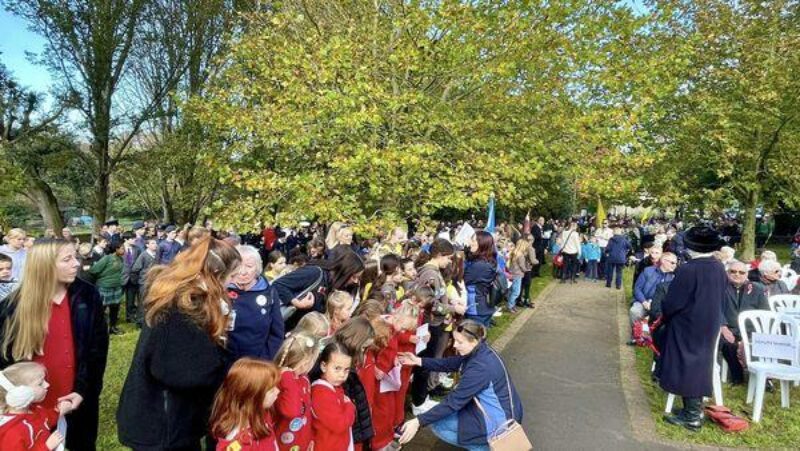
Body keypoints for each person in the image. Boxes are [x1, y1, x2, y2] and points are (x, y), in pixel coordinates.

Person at [116, 237, 241, 450]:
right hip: (163, 423)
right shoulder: (180, 307)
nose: (233, 282)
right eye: (232, 276)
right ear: (216, 275)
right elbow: (181, 371)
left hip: (173, 419)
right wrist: (221, 364)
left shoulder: (185, 297)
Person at [0, 239, 109, 450]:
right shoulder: (12, 308)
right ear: (44, 265)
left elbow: (97, 349)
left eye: (75, 257)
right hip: (30, 404)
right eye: (67, 259)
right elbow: (4, 361)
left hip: (76, 398)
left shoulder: (87, 295)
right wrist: (13, 399)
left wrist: (83, 390)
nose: (76, 263)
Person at [397, 320, 523, 450]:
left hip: (499, 422)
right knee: (440, 418)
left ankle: (486, 446)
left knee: (439, 425)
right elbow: (451, 363)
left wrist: (418, 421)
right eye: (455, 340)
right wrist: (418, 360)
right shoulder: (481, 351)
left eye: (460, 342)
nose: (455, 345)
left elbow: (453, 402)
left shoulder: (479, 369)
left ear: (474, 341)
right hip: (507, 410)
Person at [656, 226, 726, 431]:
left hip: (687, 324)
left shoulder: (689, 269)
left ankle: (693, 415)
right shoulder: (718, 267)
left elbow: (673, 302)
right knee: (699, 365)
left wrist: (665, 316)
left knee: (686, 366)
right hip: (709, 324)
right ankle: (692, 410)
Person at [272, 250, 364, 330]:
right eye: (354, 277)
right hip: (285, 328)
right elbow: (278, 285)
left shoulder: (339, 286)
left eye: (358, 278)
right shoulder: (314, 273)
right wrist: (297, 303)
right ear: (344, 271)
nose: (356, 281)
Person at [227, 245, 285, 363]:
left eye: (249, 266)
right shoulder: (221, 290)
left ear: (257, 268)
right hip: (223, 362)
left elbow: (276, 333)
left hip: (257, 363)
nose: (242, 272)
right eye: (237, 266)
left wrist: (262, 361)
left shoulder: (269, 293)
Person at [0, 361, 75, 450]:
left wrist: (59, 410)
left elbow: (45, 419)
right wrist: (47, 446)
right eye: (40, 383)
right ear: (21, 392)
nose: (47, 385)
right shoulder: (13, 432)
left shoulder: (33, 410)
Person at [210, 358, 281, 451]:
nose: (278, 391)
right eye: (271, 390)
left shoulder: (261, 414)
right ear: (252, 397)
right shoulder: (239, 442)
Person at [720, 259, 769, 385]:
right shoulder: (719, 288)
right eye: (733, 271)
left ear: (746, 275)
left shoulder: (757, 289)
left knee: (761, 344)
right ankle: (738, 377)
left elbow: (765, 313)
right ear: (727, 273)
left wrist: (753, 335)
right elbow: (714, 309)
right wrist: (723, 327)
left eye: (742, 272)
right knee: (728, 345)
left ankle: (764, 378)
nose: (737, 274)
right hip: (728, 329)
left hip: (750, 331)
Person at [274, 333, 318, 451]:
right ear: (305, 361)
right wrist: (287, 377)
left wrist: (310, 438)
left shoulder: (304, 379)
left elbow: (307, 412)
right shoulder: (282, 380)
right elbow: (291, 411)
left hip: (301, 443)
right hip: (282, 444)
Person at [311, 341, 357, 451]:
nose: (342, 375)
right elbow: (340, 424)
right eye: (337, 368)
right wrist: (350, 406)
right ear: (323, 366)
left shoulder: (334, 386)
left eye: (346, 370)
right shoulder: (321, 393)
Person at [628, 252, 677, 345]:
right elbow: (637, 288)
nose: (675, 265)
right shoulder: (648, 271)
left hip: (660, 305)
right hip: (644, 300)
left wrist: (655, 304)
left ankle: (653, 338)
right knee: (634, 311)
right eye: (672, 263)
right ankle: (637, 337)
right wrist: (644, 302)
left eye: (675, 263)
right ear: (663, 261)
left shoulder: (675, 277)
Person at [89, 242, 125, 335]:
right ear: (115, 249)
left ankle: (112, 327)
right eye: (121, 248)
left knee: (115, 308)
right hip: (105, 286)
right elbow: (94, 270)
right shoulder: (107, 258)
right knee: (101, 309)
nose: (123, 250)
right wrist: (103, 277)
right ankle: (97, 329)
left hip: (116, 287)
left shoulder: (120, 258)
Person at [464, 231, 497, 325]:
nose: (470, 243)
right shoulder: (485, 261)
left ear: (482, 244)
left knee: (474, 338)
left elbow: (463, 280)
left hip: (476, 309)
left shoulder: (480, 266)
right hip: (480, 305)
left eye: (473, 240)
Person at [507, 238, 537, 312]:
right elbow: (522, 266)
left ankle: (512, 304)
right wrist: (527, 269)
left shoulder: (514, 252)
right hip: (518, 275)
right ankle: (510, 306)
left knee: (512, 290)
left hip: (512, 273)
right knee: (516, 292)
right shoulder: (521, 255)